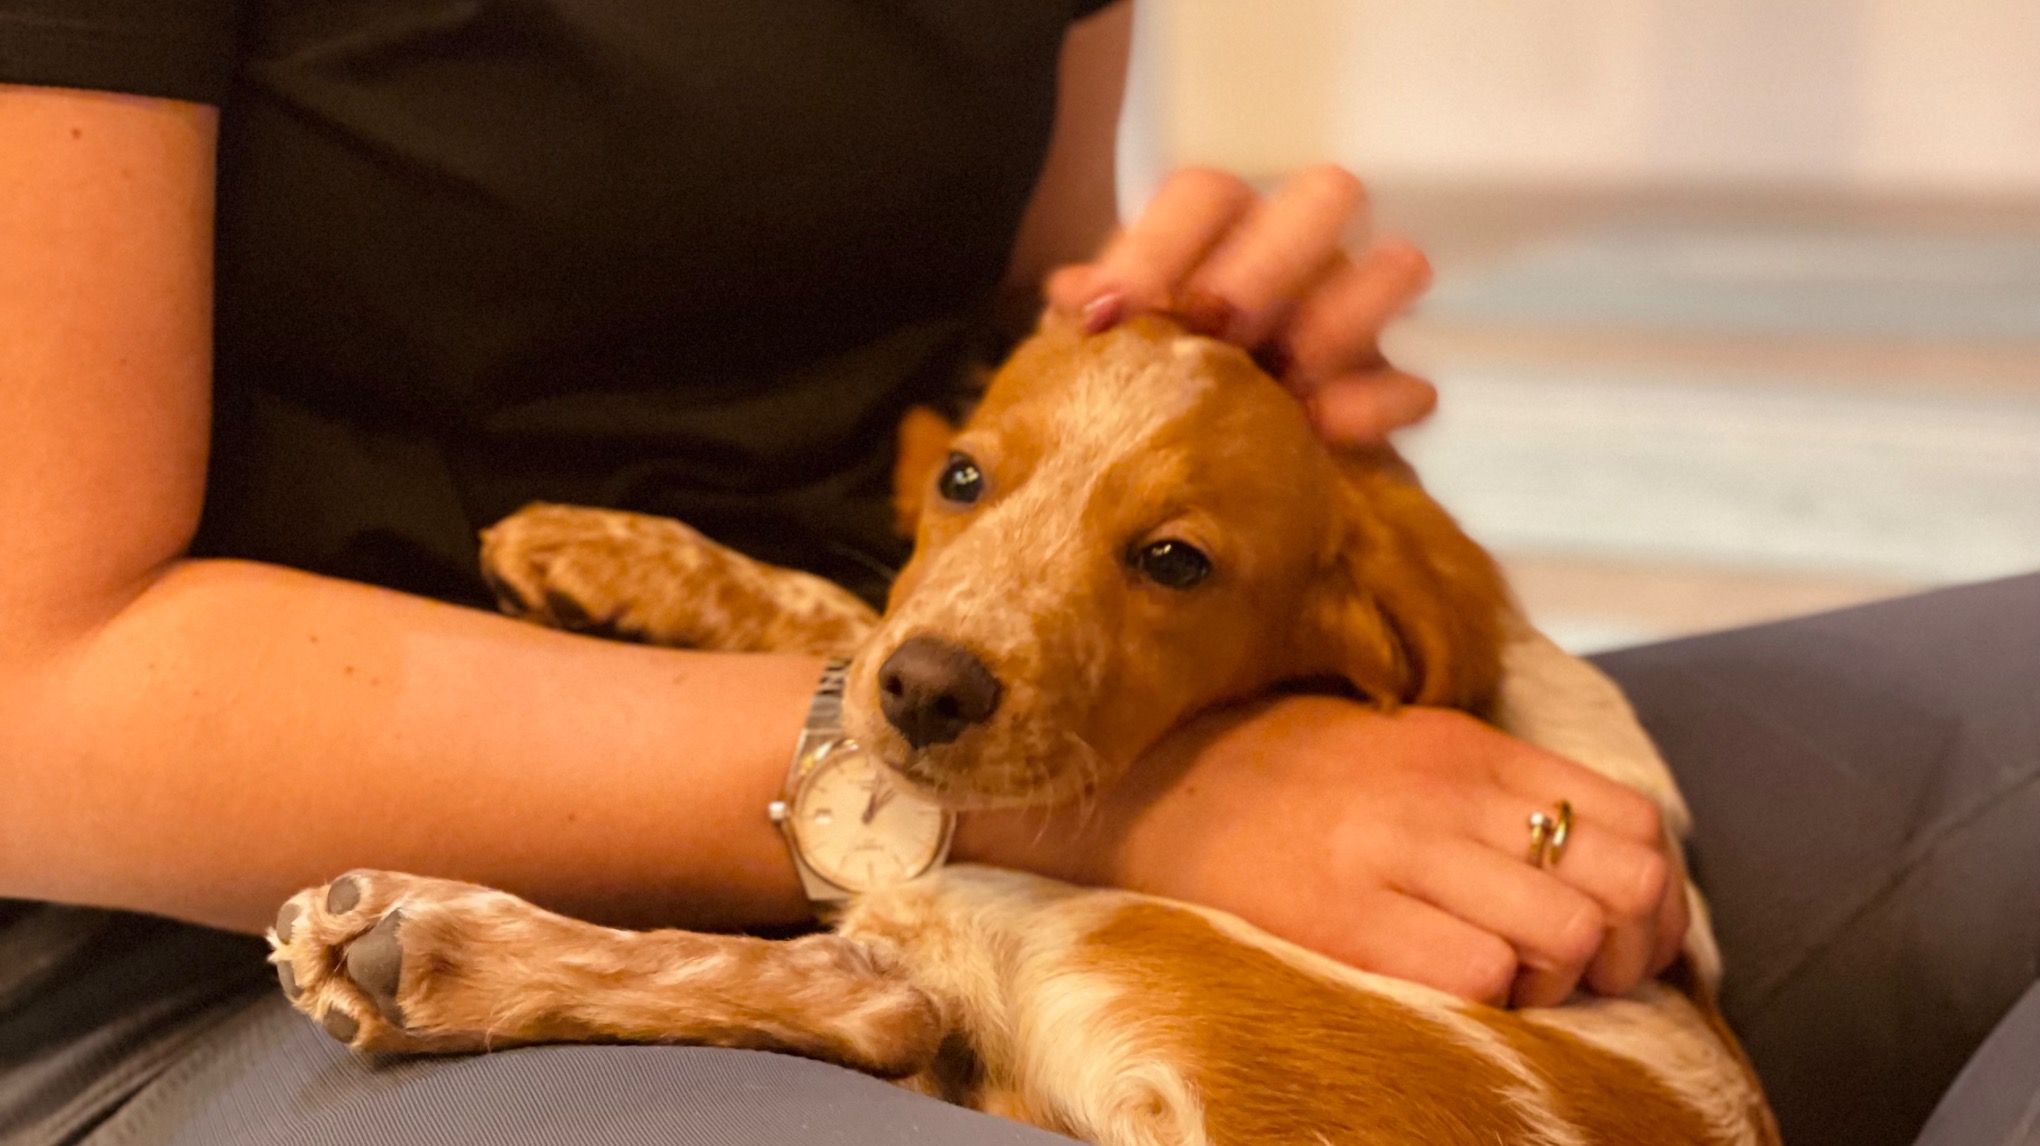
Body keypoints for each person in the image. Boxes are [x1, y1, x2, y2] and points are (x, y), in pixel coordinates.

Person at [1, 2, 2031, 1144]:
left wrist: (1198, 383)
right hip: (249, 929)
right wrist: (1118, 805)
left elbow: (976, 343)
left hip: (1023, 757)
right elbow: (36, 697)